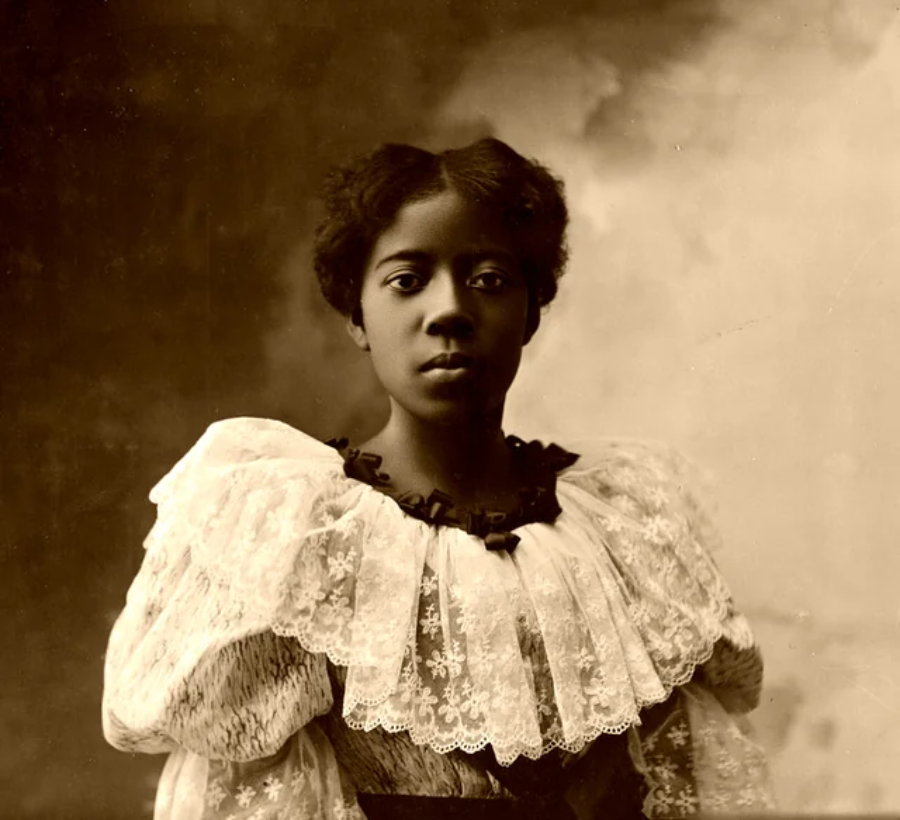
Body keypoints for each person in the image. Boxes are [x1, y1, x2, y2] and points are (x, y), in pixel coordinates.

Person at [102, 138, 773, 819]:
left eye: (488, 280)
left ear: (532, 310)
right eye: (407, 280)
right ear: (358, 316)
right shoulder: (296, 534)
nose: (449, 310)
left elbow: (690, 784)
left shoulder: (624, 525)